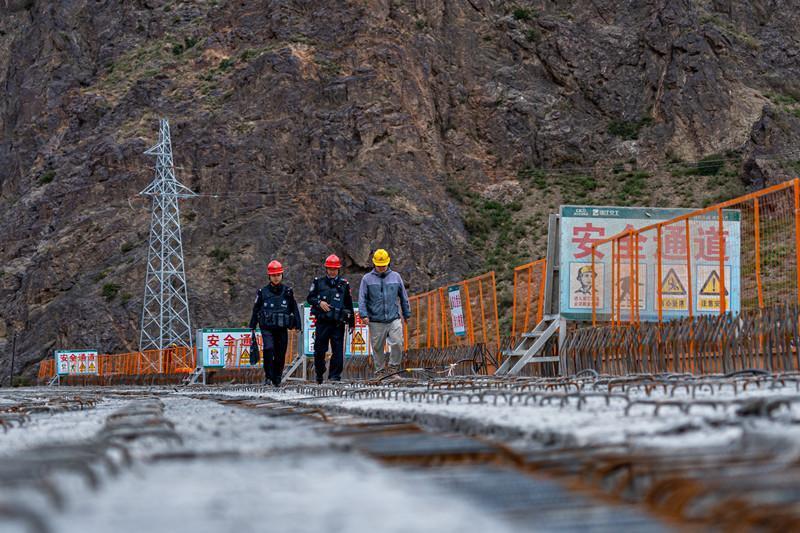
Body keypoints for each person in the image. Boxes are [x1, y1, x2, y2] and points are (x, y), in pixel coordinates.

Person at [358, 249, 411, 379]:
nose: (381, 267)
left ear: (388, 263)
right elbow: (362, 298)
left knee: (397, 342)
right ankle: (380, 372)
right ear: (374, 264)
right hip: (375, 320)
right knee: (377, 348)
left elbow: (403, 296)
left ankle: (393, 369)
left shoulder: (396, 277)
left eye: (383, 265)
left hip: (393, 318)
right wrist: (363, 315)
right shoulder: (367, 279)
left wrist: (406, 313)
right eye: (379, 265)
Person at [249, 260, 301, 386]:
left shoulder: (288, 292)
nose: (276, 278)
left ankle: (277, 377)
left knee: (280, 353)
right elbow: (256, 309)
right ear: (269, 276)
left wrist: (298, 324)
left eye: (278, 275)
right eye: (273, 275)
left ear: (282, 275)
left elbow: (294, 308)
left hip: (282, 328)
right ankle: (268, 376)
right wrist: (252, 325)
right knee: (268, 348)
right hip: (267, 327)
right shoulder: (263, 292)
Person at [306, 254, 355, 384]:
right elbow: (310, 298)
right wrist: (319, 302)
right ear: (326, 269)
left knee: (338, 350)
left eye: (335, 269)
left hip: (338, 323)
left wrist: (352, 322)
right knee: (319, 350)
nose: (332, 271)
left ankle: (335, 376)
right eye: (330, 269)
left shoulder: (344, 284)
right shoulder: (318, 282)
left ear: (338, 269)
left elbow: (349, 304)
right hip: (322, 322)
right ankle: (319, 373)